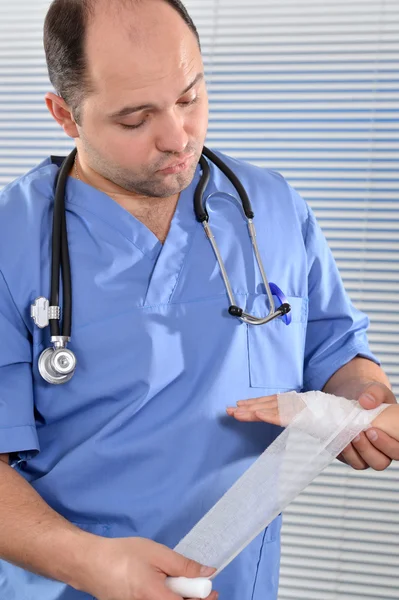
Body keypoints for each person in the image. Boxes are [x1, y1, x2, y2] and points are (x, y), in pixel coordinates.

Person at [0, 0, 398, 599]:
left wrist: (364, 407)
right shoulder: (13, 240)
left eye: (189, 97)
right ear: (65, 115)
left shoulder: (272, 207)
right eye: (135, 119)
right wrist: (92, 565)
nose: (177, 136)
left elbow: (338, 357)